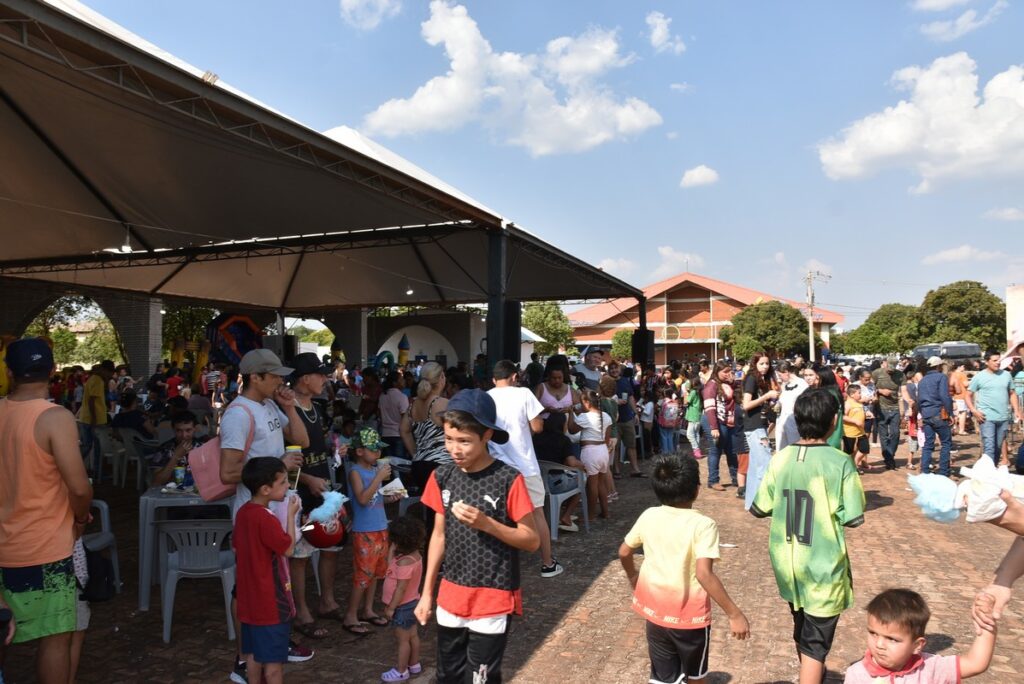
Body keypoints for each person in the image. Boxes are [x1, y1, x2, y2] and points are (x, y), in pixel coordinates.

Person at [414, 389, 540, 684]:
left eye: (464, 441)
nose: (455, 449)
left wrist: (489, 524)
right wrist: (427, 593)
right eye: (448, 439)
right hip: (451, 593)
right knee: (447, 675)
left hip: (492, 594)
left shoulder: (508, 479)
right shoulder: (441, 476)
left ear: (486, 436)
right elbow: (438, 536)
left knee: (481, 677)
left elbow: (532, 539)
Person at [750, 388, 866, 684]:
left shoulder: (781, 458)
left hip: (787, 563)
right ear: (835, 421)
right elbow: (853, 517)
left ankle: (812, 672)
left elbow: (760, 507)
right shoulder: (840, 462)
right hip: (822, 566)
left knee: (802, 629)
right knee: (815, 643)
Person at [0, 338, 93, 684]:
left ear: (10, 373)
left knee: (2, 636)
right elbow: (80, 487)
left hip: (4, 547)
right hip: (47, 548)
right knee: (56, 639)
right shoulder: (54, 418)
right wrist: (81, 517)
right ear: (53, 372)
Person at [218, 348, 310, 682]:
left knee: (273, 582)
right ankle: (245, 655)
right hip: (253, 515)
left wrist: (288, 405)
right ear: (255, 377)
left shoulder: (269, 404)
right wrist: (278, 466)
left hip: (274, 512)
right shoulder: (238, 415)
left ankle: (269, 645)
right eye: (273, 376)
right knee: (248, 588)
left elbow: (300, 440)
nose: (280, 381)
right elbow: (227, 472)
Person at [619, 453, 749, 684]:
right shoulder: (703, 525)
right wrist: (734, 613)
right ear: (697, 489)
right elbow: (703, 574)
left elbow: (624, 552)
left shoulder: (649, 515)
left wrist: (633, 577)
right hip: (690, 620)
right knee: (696, 677)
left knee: (662, 678)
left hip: (654, 614)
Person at [488, 360, 562, 578]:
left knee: (497, 514)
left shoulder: (486, 397)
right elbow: (537, 427)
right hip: (524, 464)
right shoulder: (524, 394)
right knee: (537, 512)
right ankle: (548, 564)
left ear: (494, 379)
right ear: (514, 377)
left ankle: (497, 565)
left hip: (496, 466)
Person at [287, 353, 343, 640]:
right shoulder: (286, 408)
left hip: (322, 486)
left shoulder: (316, 407)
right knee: (301, 552)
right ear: (304, 378)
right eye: (320, 375)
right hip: (300, 490)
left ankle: (327, 600)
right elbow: (282, 457)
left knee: (330, 544)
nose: (325, 379)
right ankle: (301, 611)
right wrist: (306, 479)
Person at [234, 457, 301, 684]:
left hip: (249, 601)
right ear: (265, 489)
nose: (287, 487)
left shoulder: (243, 513)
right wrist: (291, 516)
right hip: (271, 603)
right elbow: (289, 548)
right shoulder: (265, 518)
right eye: (282, 483)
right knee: (273, 665)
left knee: (253, 656)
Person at [844, 588, 995, 682]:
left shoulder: (931, 668)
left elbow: (976, 664)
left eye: (892, 639)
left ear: (917, 645)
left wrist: (987, 624)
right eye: (873, 633)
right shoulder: (857, 675)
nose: (879, 645)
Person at [342, 427, 399, 635]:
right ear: (359, 451)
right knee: (363, 574)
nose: (377, 454)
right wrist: (379, 478)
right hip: (364, 530)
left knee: (376, 572)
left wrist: (389, 496)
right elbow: (363, 499)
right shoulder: (355, 472)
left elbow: (375, 498)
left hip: (380, 526)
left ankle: (367, 609)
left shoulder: (374, 470)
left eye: (378, 450)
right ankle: (350, 615)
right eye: (373, 450)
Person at [380, 516, 426, 683]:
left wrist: (391, 607)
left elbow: (400, 589)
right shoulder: (414, 556)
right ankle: (414, 664)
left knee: (403, 640)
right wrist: (392, 552)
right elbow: (390, 568)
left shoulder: (405, 563)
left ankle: (401, 671)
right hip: (412, 603)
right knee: (412, 636)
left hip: (402, 607)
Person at [399, 361, 450, 496]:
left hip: (419, 465)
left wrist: (415, 452)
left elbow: (404, 430)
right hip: (441, 465)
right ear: (440, 379)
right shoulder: (443, 403)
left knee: (430, 510)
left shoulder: (413, 404)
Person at [966, 350, 1023, 461]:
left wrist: (1017, 410)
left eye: (999, 360)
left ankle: (992, 471)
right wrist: (974, 410)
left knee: (998, 447)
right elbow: (968, 395)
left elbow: (1012, 393)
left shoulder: (1006, 375)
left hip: (1003, 417)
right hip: (986, 417)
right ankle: (988, 474)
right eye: (995, 360)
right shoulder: (979, 377)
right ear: (987, 362)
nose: (998, 363)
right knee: (989, 447)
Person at [532, 412, 583, 531]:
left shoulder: (535, 438)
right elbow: (571, 462)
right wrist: (583, 465)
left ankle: (557, 514)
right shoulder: (564, 440)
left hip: (538, 482)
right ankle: (566, 516)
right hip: (557, 482)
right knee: (582, 479)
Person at [741, 353, 779, 509]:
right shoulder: (751, 379)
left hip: (759, 426)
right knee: (764, 465)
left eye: (767, 363)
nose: (765, 366)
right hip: (754, 427)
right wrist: (767, 396)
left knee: (756, 465)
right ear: (755, 364)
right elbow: (746, 404)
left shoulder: (761, 380)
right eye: (762, 363)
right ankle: (762, 504)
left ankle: (752, 503)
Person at [703, 361, 738, 491]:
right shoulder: (711, 386)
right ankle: (713, 480)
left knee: (732, 450)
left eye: (730, 371)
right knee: (715, 450)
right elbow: (710, 408)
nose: (728, 374)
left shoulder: (729, 384)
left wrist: (733, 382)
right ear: (717, 372)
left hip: (729, 421)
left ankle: (736, 478)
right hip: (714, 420)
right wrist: (714, 427)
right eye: (725, 372)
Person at [917, 356, 954, 477]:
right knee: (946, 443)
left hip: (926, 414)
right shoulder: (941, 377)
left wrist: (921, 414)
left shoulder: (922, 380)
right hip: (938, 413)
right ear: (939, 366)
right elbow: (945, 396)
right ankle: (943, 471)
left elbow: (919, 400)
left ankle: (925, 471)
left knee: (928, 444)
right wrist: (950, 413)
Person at [78, 359, 115, 473]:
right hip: (93, 420)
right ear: (104, 370)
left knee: (92, 446)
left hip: (89, 418)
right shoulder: (97, 380)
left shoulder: (94, 379)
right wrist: (94, 419)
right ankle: (77, 467)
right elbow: (92, 400)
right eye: (109, 372)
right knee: (90, 446)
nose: (110, 375)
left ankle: (96, 470)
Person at [151, 411, 206, 486]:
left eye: (188, 430)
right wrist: (176, 457)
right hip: (171, 494)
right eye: (179, 431)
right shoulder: (164, 449)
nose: (184, 435)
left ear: (194, 429)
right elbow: (156, 482)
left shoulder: (204, 449)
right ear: (173, 430)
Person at [608, 361, 644, 477]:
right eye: (612, 368)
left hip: (627, 417)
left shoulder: (625, 381)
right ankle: (616, 470)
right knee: (616, 447)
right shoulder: (606, 381)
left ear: (620, 369)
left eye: (616, 368)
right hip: (613, 419)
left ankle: (635, 469)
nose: (614, 370)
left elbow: (630, 397)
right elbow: (602, 398)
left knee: (631, 445)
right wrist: (615, 401)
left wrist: (635, 413)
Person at [872, 359, 903, 470]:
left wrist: (903, 409)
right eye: (889, 369)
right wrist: (880, 391)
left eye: (892, 370)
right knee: (883, 435)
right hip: (881, 408)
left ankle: (890, 455)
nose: (890, 372)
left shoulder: (900, 375)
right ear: (885, 364)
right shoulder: (877, 373)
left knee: (895, 433)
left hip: (895, 408)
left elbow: (903, 391)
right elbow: (871, 388)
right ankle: (889, 459)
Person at [777, 361, 808, 451]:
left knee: (794, 449)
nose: (780, 378)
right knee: (781, 450)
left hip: (795, 422)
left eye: (780, 375)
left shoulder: (802, 384)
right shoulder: (785, 385)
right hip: (782, 421)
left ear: (786, 372)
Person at [379, 371, 410, 458]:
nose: (404, 381)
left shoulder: (382, 396)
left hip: (385, 434)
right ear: (395, 383)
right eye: (401, 379)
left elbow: (380, 415)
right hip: (398, 434)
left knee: (389, 464)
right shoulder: (402, 397)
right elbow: (405, 418)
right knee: (399, 465)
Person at [842, 384, 870, 472]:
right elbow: (843, 417)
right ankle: (847, 468)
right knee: (848, 452)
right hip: (849, 432)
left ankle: (854, 464)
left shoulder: (859, 403)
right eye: (859, 393)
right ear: (852, 394)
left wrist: (867, 414)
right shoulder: (848, 404)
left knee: (865, 449)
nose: (860, 395)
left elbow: (860, 413)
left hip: (860, 431)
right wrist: (855, 421)